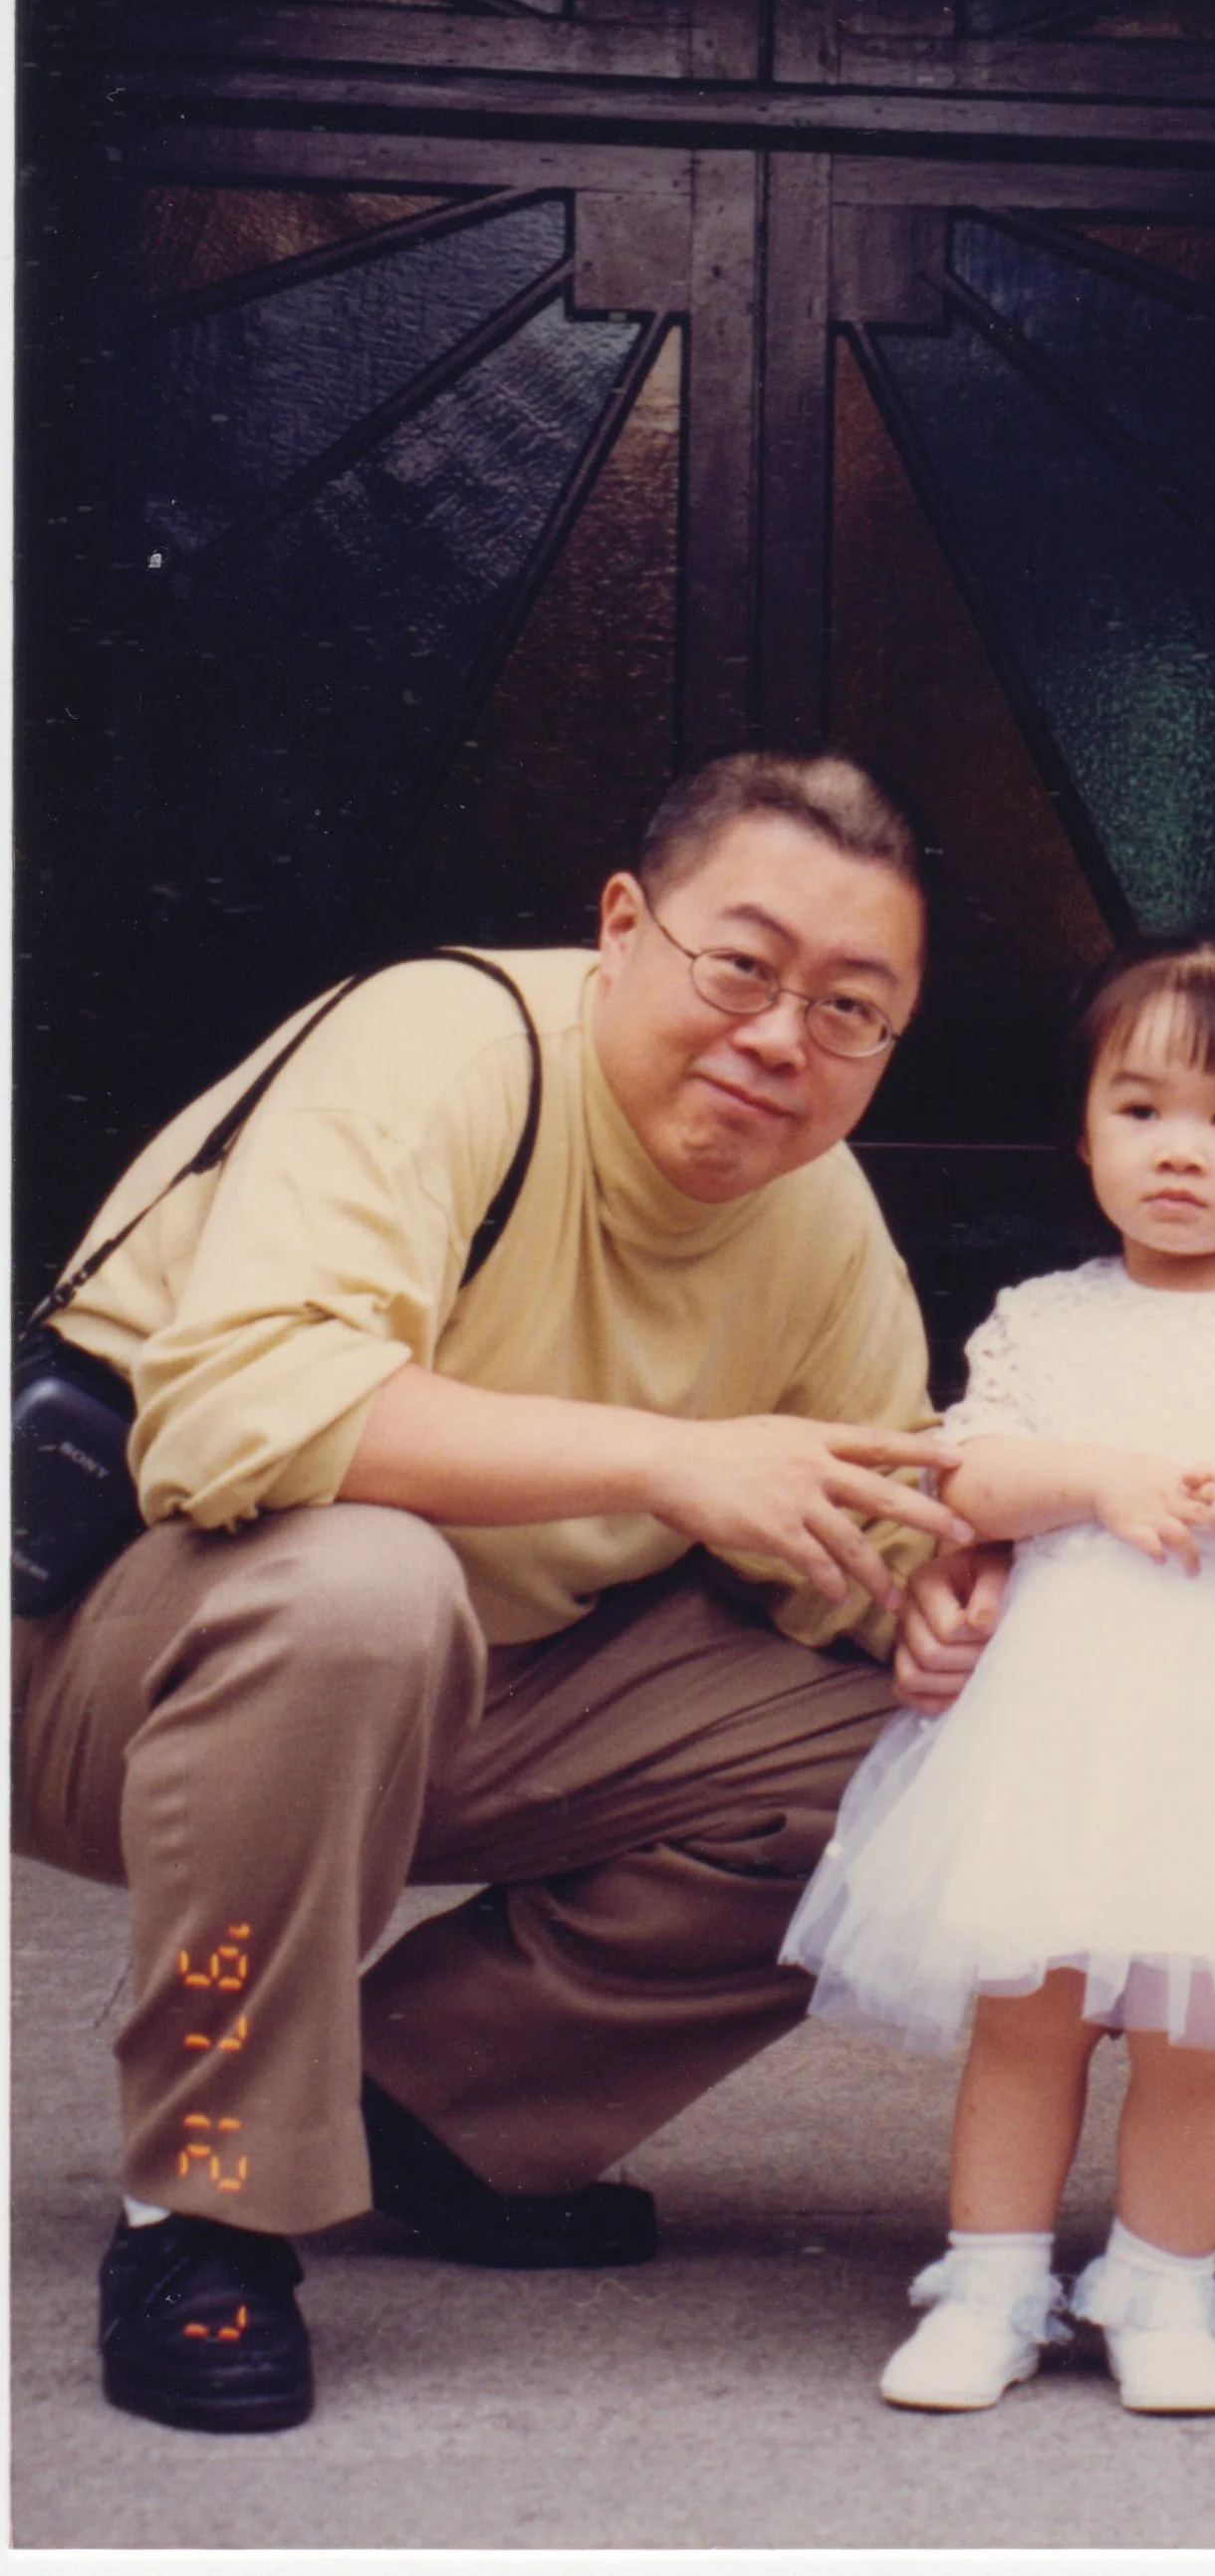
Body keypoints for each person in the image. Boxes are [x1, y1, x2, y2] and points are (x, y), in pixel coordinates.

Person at [13, 749, 980, 2436]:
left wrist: (960, 1611)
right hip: (113, 1671)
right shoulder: (441, 1047)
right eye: (740, 966)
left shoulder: (819, 1216)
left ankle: (428, 2112)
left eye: (849, 1009)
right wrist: (666, 1462)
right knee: (362, 1588)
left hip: (474, 1691)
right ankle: (210, 2203)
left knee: (915, 1756)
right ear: (624, 925)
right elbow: (236, 1413)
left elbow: (877, 1547)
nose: (779, 1039)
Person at [782, 937, 1215, 2418]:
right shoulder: (1048, 1317)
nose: (1180, 1152)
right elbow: (976, 1479)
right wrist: (1097, 1477)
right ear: (1083, 1133)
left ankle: (1161, 2280)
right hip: (1069, 1726)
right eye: (1141, 1110)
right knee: (1033, 2008)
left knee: (1200, 2023)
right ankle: (995, 2277)